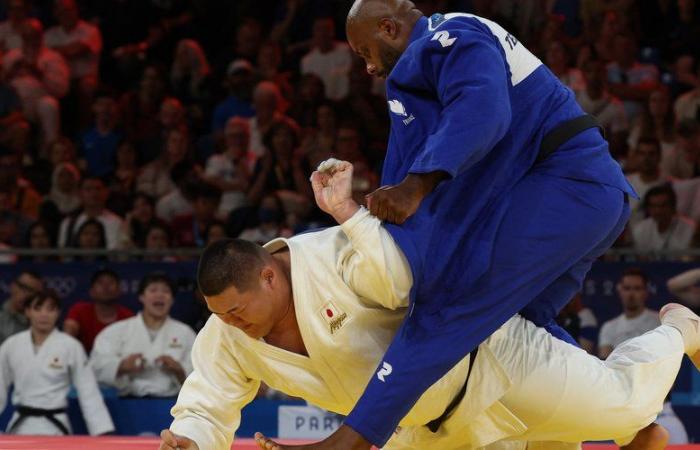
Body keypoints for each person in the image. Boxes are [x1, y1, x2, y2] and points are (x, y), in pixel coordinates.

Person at [159, 160, 695, 450]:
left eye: (236, 311)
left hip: (492, 361)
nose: (232, 325)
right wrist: (192, 439)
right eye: (220, 315)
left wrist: (349, 213)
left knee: (626, 402)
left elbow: (396, 283)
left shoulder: (334, 253)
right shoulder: (228, 332)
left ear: (270, 276)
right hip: (416, 431)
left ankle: (677, 327)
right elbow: (209, 401)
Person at [315, 3, 637, 448]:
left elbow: (483, 111)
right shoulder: (420, 70)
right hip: (582, 195)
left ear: (390, 27)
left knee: (447, 302)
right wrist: (369, 223)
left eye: (366, 51)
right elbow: (413, 168)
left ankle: (353, 439)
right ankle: (632, 426)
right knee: (516, 333)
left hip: (567, 186)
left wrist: (415, 187)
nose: (368, 67)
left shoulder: (452, 36)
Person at [0, 289, 114, 435]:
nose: (44, 315)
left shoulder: (71, 346)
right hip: (20, 428)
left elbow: (88, 391)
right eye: (38, 308)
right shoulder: (11, 345)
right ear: (27, 312)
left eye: (50, 309)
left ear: (58, 313)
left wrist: (102, 431)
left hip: (55, 428)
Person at [91, 273, 195, 397]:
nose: (160, 295)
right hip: (127, 404)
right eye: (153, 290)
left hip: (172, 405)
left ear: (172, 300)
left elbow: (203, 373)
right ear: (141, 297)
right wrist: (121, 366)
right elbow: (95, 365)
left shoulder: (186, 333)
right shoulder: (116, 331)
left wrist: (180, 370)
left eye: (166, 291)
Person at [63, 268, 134, 353]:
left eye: (111, 282)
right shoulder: (79, 310)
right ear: (91, 292)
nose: (106, 287)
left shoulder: (128, 317)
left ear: (119, 291)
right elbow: (68, 335)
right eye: (100, 283)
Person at [598, 268, 660, 359]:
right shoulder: (608, 327)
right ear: (620, 291)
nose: (631, 294)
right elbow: (605, 361)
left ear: (645, 292)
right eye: (627, 288)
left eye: (637, 288)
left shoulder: (659, 322)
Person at [0, 271, 43, 344]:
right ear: (12, 286)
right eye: (23, 287)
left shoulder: (42, 322)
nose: (26, 294)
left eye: (33, 291)